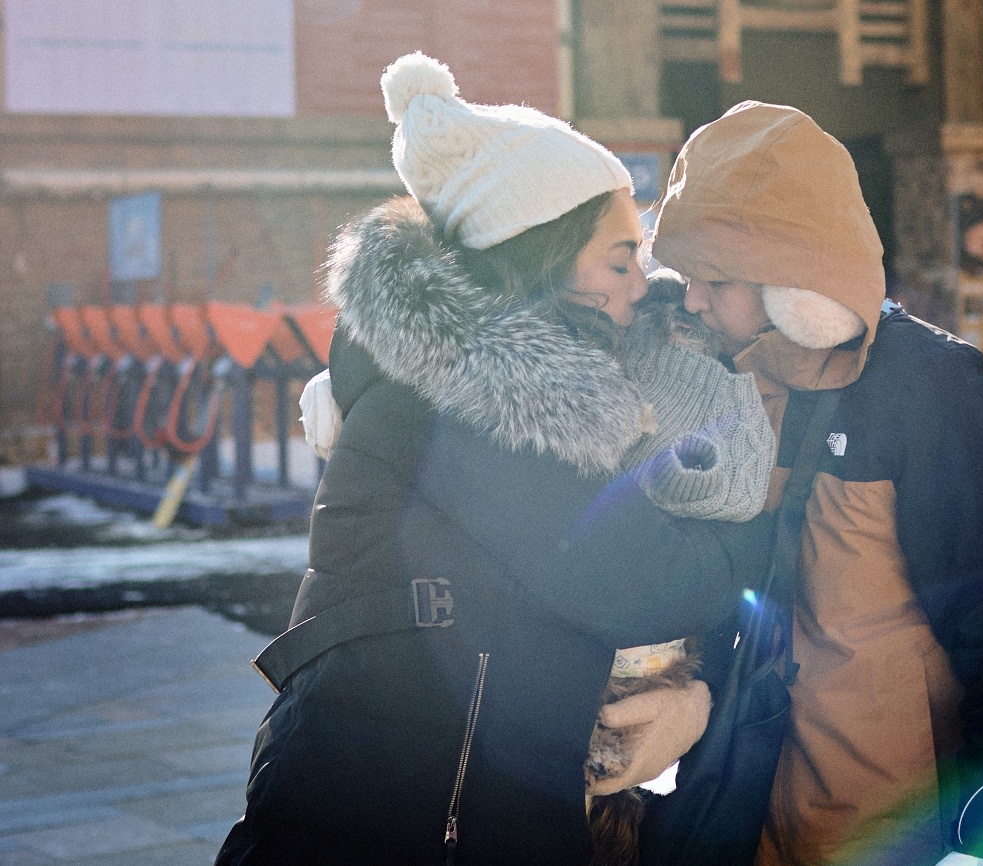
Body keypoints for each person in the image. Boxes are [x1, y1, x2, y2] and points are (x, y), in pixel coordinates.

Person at [214, 54, 773, 865]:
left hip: (411, 794)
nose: (641, 285)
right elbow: (644, 579)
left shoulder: (447, 373)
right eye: (620, 260)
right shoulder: (488, 402)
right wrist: (762, 529)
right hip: (398, 813)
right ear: (542, 261)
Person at [647, 101, 983, 866]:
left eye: (713, 277)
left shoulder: (936, 389)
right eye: (684, 276)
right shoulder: (716, 385)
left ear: (792, 277)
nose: (692, 300)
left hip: (896, 829)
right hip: (737, 812)